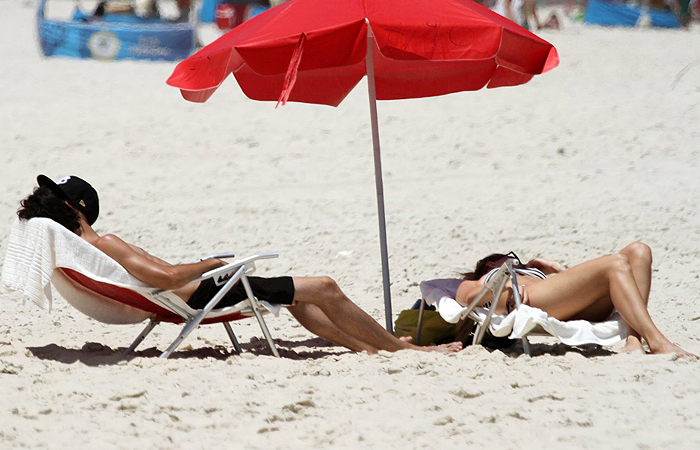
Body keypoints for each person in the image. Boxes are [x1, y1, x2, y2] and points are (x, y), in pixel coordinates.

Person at [17, 175, 462, 355]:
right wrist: (212, 262)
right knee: (323, 286)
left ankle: (369, 346)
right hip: (205, 294)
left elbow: (160, 280)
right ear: (79, 209)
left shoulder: (84, 253)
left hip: (189, 298)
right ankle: (405, 350)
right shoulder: (107, 243)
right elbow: (168, 277)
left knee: (294, 295)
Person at [454, 248, 695, 357]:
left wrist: (551, 269)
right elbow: (467, 298)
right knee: (615, 263)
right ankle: (658, 342)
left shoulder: (531, 273)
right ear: (490, 264)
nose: (517, 261)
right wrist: (503, 284)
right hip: (536, 302)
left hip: (566, 303)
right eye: (511, 258)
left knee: (639, 251)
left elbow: (575, 287)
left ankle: (634, 341)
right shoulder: (487, 277)